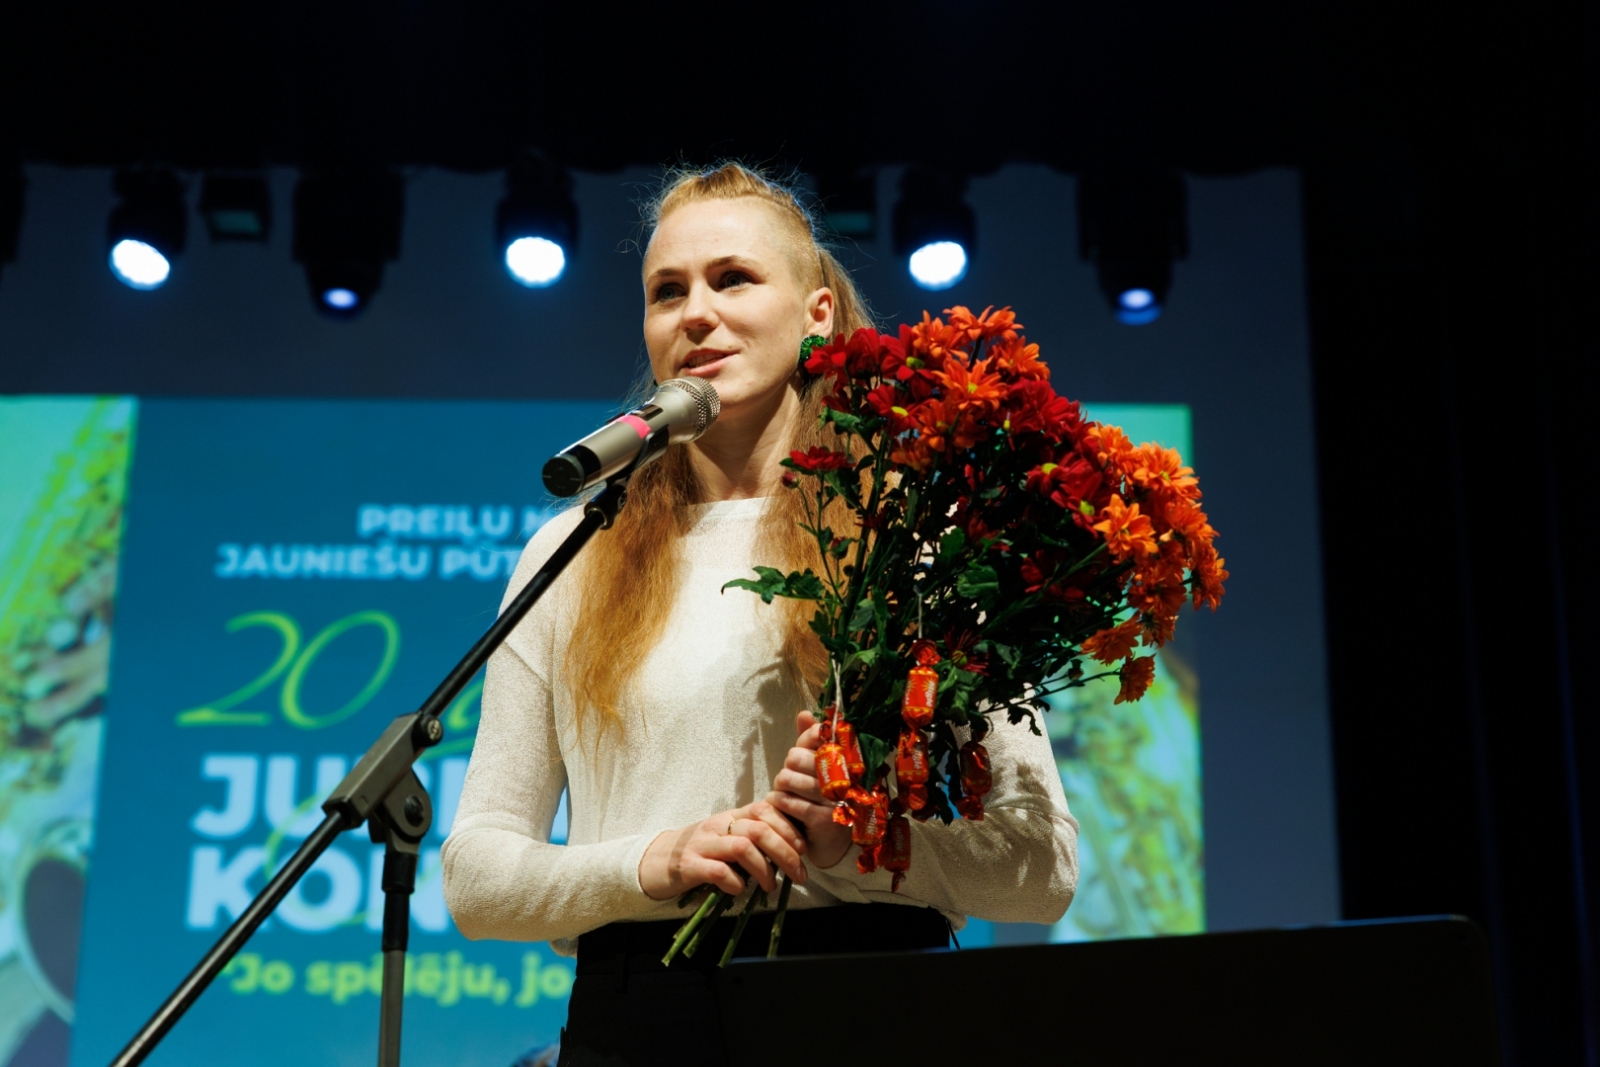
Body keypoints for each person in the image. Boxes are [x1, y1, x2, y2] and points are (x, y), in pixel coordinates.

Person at [441, 164, 1078, 1066]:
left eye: (732, 278)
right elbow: (475, 879)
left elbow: (1043, 865)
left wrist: (867, 843)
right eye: (668, 291)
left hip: (877, 1003)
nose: (695, 312)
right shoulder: (572, 552)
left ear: (818, 312)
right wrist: (650, 862)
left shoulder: (917, 533)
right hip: (642, 1014)